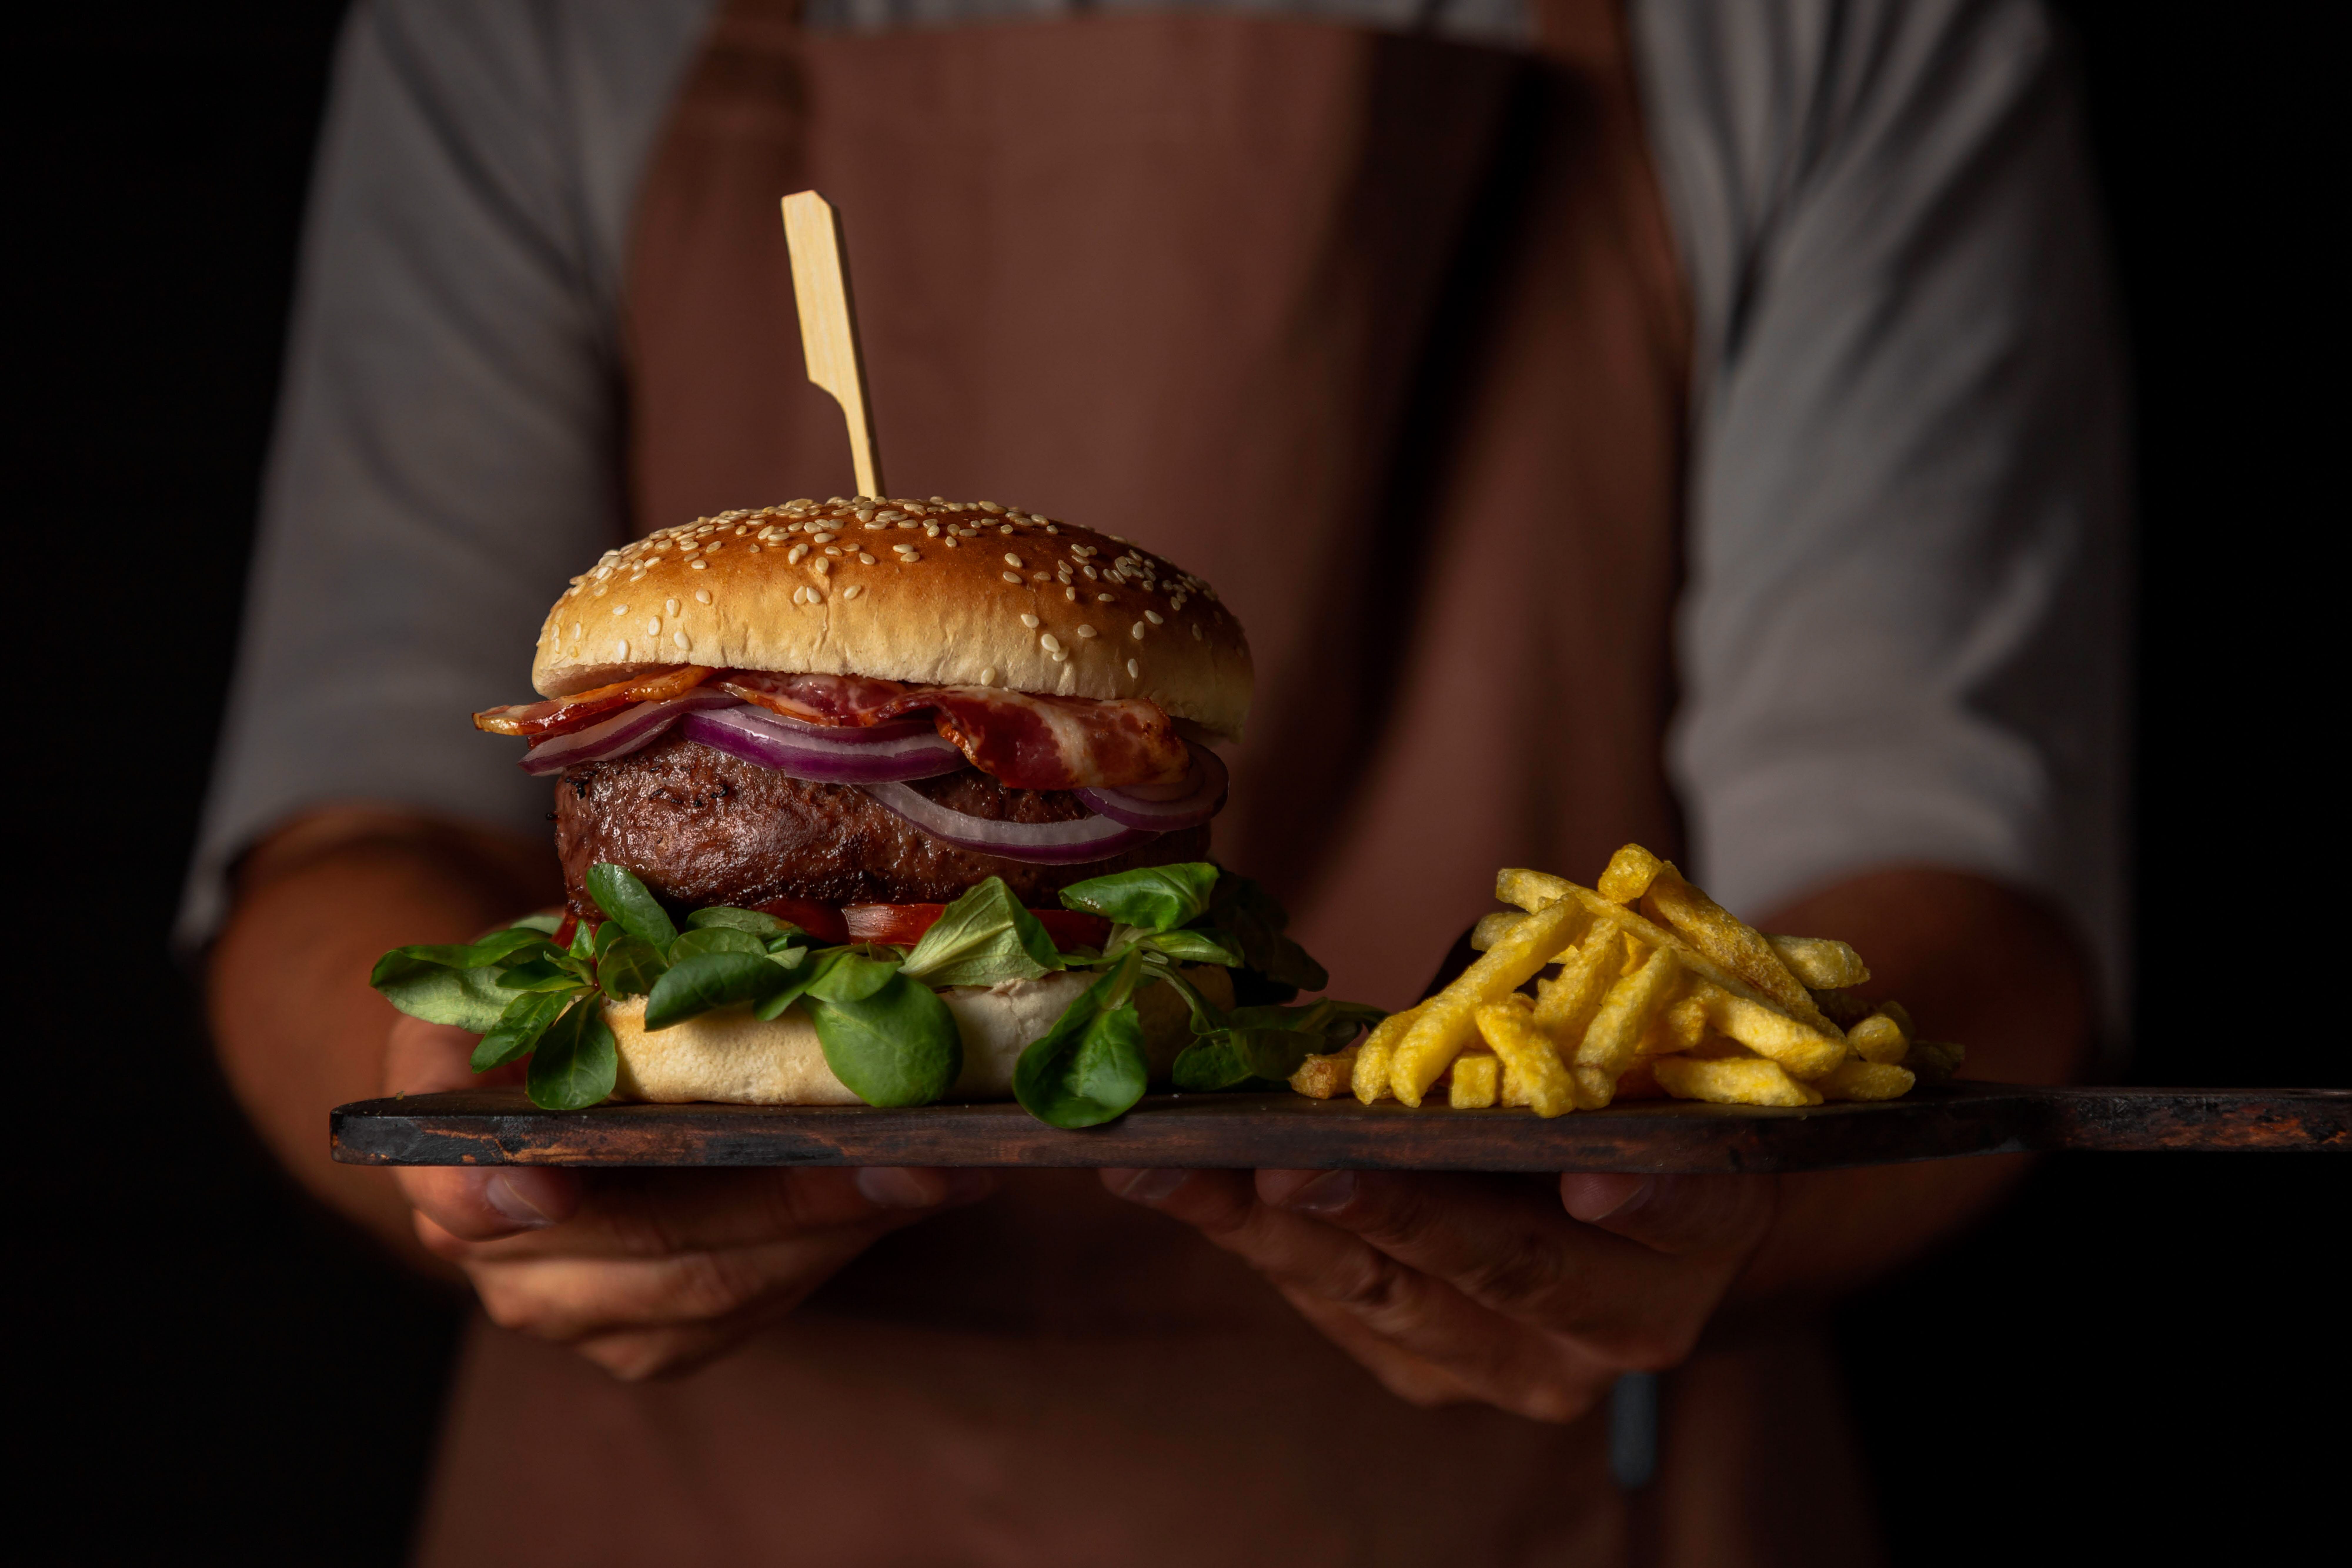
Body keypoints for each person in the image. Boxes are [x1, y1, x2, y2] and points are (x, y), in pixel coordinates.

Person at [189, 0, 2125, 1561]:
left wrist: (1710, 1196)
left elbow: (1960, 887)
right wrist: (449, 1131)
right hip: (679, 1496)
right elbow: (344, 819)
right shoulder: (517, 25)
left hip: (1545, 1489)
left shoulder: (1842, 26)